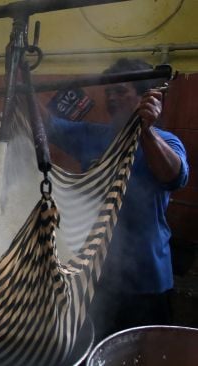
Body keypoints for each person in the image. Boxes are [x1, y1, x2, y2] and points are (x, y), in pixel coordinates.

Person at [44, 58, 189, 340]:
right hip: (95, 275)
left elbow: (174, 177)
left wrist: (144, 130)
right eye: (108, 92)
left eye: (120, 92)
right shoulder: (92, 135)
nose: (111, 98)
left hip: (147, 278)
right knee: (95, 345)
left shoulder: (166, 141)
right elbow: (48, 126)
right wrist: (22, 87)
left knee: (144, 353)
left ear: (142, 96)